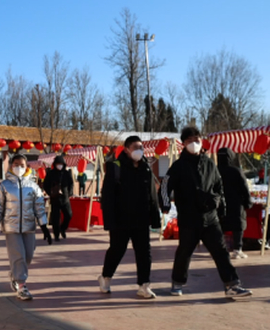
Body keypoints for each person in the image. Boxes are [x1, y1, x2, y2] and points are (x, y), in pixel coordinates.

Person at [161, 126, 252, 298]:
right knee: (185, 252)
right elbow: (166, 185)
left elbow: (219, 186)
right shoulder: (178, 166)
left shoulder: (210, 163)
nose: (194, 143)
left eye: (197, 140)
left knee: (221, 251)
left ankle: (232, 285)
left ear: (202, 142)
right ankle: (177, 282)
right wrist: (165, 205)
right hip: (189, 218)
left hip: (210, 218)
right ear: (183, 143)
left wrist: (220, 205)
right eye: (189, 141)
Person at [98, 136, 161, 299]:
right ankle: (105, 277)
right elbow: (107, 197)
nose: (139, 150)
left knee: (144, 253)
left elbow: (152, 195)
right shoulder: (115, 167)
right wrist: (109, 222)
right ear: (126, 149)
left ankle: (144, 285)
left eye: (141, 147)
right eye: (135, 147)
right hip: (120, 220)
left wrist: (155, 218)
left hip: (141, 219)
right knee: (117, 250)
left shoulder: (146, 168)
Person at [0, 154, 49, 300]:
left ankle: (15, 274)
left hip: (29, 227)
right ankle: (22, 286)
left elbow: (39, 207)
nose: (19, 167)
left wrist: (44, 226)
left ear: (27, 167)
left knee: (28, 256)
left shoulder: (33, 187)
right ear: (11, 165)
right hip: (11, 228)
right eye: (16, 164)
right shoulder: (5, 185)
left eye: (22, 165)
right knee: (18, 256)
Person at [217, 147, 252, 259]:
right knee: (237, 226)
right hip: (236, 203)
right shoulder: (236, 171)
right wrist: (248, 202)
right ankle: (237, 249)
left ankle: (220, 249)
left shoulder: (214, 170)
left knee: (219, 226)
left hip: (219, 203)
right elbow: (244, 188)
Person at [43, 155, 74, 241]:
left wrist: (69, 193)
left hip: (65, 198)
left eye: (61, 164)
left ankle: (63, 228)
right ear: (55, 164)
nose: (59, 165)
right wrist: (50, 193)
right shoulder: (51, 173)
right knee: (55, 218)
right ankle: (56, 235)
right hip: (55, 198)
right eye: (58, 164)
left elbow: (71, 184)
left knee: (69, 215)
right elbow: (46, 185)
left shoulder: (67, 173)